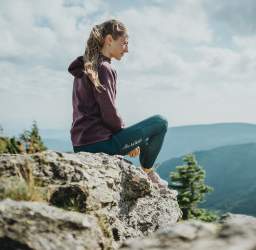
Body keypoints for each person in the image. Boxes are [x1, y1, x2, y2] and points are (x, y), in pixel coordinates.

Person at [68, 19, 176, 196]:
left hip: (81, 144)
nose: (127, 49)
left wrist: (129, 139)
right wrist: (123, 136)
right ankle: (148, 172)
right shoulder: (104, 68)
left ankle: (148, 174)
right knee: (160, 123)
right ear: (109, 39)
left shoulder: (85, 67)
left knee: (140, 137)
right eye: (124, 43)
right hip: (99, 144)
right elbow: (108, 112)